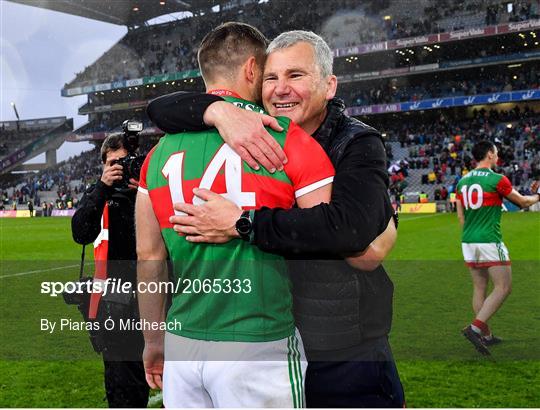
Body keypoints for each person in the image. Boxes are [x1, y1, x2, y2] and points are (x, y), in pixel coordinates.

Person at [147, 30, 403, 407]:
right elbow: (160, 109)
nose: (280, 89)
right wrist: (217, 111)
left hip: (344, 344)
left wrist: (242, 224)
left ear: (329, 85)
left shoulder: (357, 142)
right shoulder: (253, 129)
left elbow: (355, 239)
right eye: (271, 77)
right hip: (274, 336)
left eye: (295, 76)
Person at [136, 22, 336, 408]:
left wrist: (153, 340)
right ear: (250, 69)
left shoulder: (156, 154)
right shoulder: (289, 139)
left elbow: (148, 258)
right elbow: (326, 237)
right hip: (258, 342)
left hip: (183, 344)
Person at [71, 134, 149, 408]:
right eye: (115, 162)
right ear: (103, 164)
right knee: (123, 388)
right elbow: (80, 232)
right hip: (116, 308)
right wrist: (103, 188)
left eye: (127, 161)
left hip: (157, 298)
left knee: (175, 382)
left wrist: (146, 193)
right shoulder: (99, 193)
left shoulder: (148, 191)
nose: (121, 167)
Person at [457, 140, 540, 355]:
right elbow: (521, 202)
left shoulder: (462, 181)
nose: (498, 155)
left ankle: (486, 336)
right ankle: (475, 329)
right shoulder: (497, 179)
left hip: (468, 240)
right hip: (489, 239)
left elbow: (460, 217)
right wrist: (538, 196)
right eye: (496, 152)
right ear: (489, 154)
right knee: (504, 287)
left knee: (479, 288)